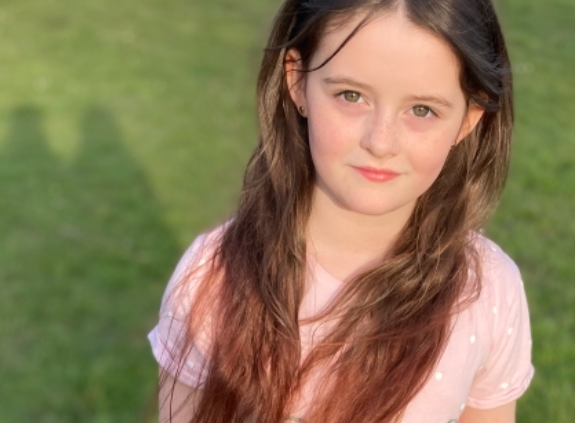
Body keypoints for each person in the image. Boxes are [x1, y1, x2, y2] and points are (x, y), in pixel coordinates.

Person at [148, 0, 533, 422]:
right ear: (297, 82)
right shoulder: (213, 277)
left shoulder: (487, 290)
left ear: (469, 118)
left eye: (422, 110)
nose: (380, 142)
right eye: (351, 96)